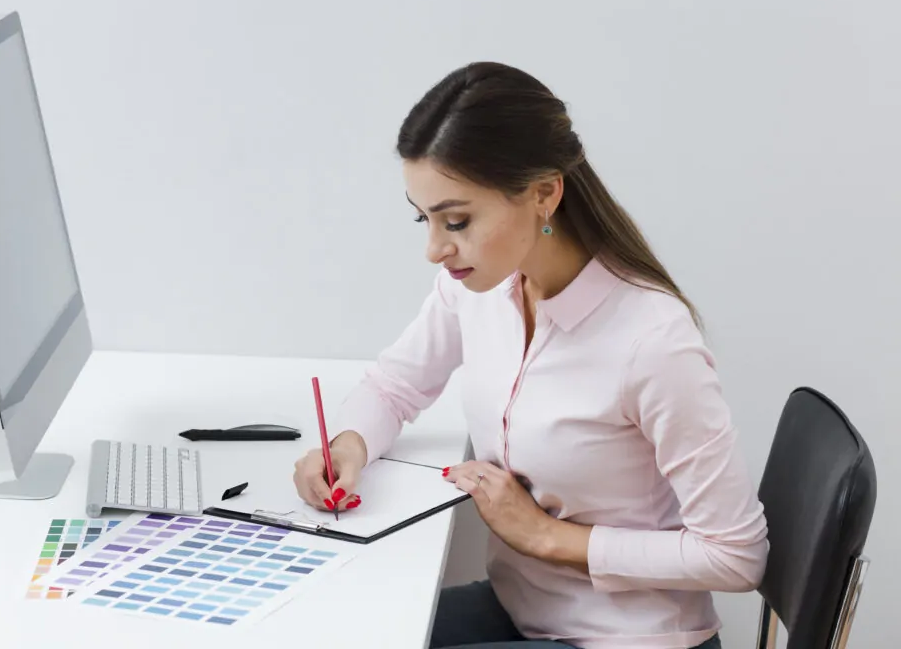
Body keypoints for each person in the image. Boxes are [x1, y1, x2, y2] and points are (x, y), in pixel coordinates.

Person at [292, 62, 768, 649]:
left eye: (457, 220)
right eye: (425, 218)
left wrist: (544, 536)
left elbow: (737, 555)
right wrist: (348, 445)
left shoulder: (652, 342)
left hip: (628, 639)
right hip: (521, 613)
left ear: (544, 193)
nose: (435, 248)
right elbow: (395, 386)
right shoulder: (479, 287)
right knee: (334, 629)